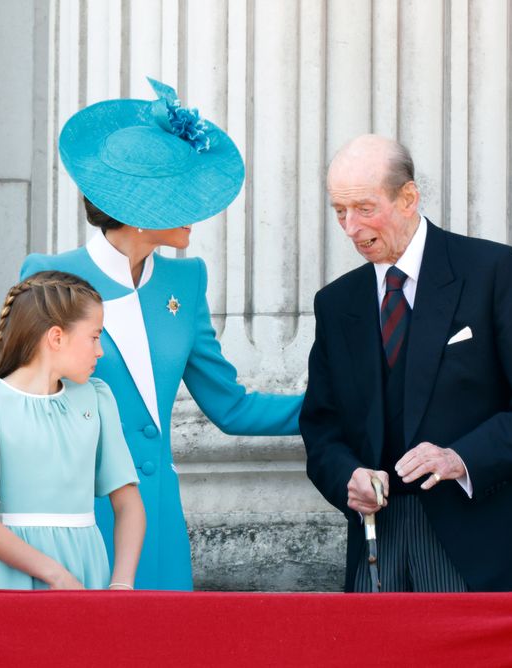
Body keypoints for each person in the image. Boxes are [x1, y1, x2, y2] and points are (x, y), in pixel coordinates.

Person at [21, 78, 302, 590]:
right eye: (182, 192)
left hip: (158, 520)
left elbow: (231, 407)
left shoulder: (185, 280)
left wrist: (338, 403)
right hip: (74, 522)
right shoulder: (48, 276)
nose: (200, 207)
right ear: (140, 212)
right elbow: (22, 410)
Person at [300, 134, 512, 592]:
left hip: (479, 548)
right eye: (339, 211)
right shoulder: (334, 302)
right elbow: (322, 429)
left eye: (364, 208)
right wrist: (349, 478)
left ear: (408, 198)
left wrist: (459, 458)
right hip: (375, 553)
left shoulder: (493, 271)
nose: (349, 227)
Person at [0, 271, 145, 590]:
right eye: (94, 336)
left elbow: (129, 503)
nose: (100, 350)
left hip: (88, 573)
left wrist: (121, 584)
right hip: (9, 580)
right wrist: (55, 574)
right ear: (56, 337)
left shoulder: (97, 398)